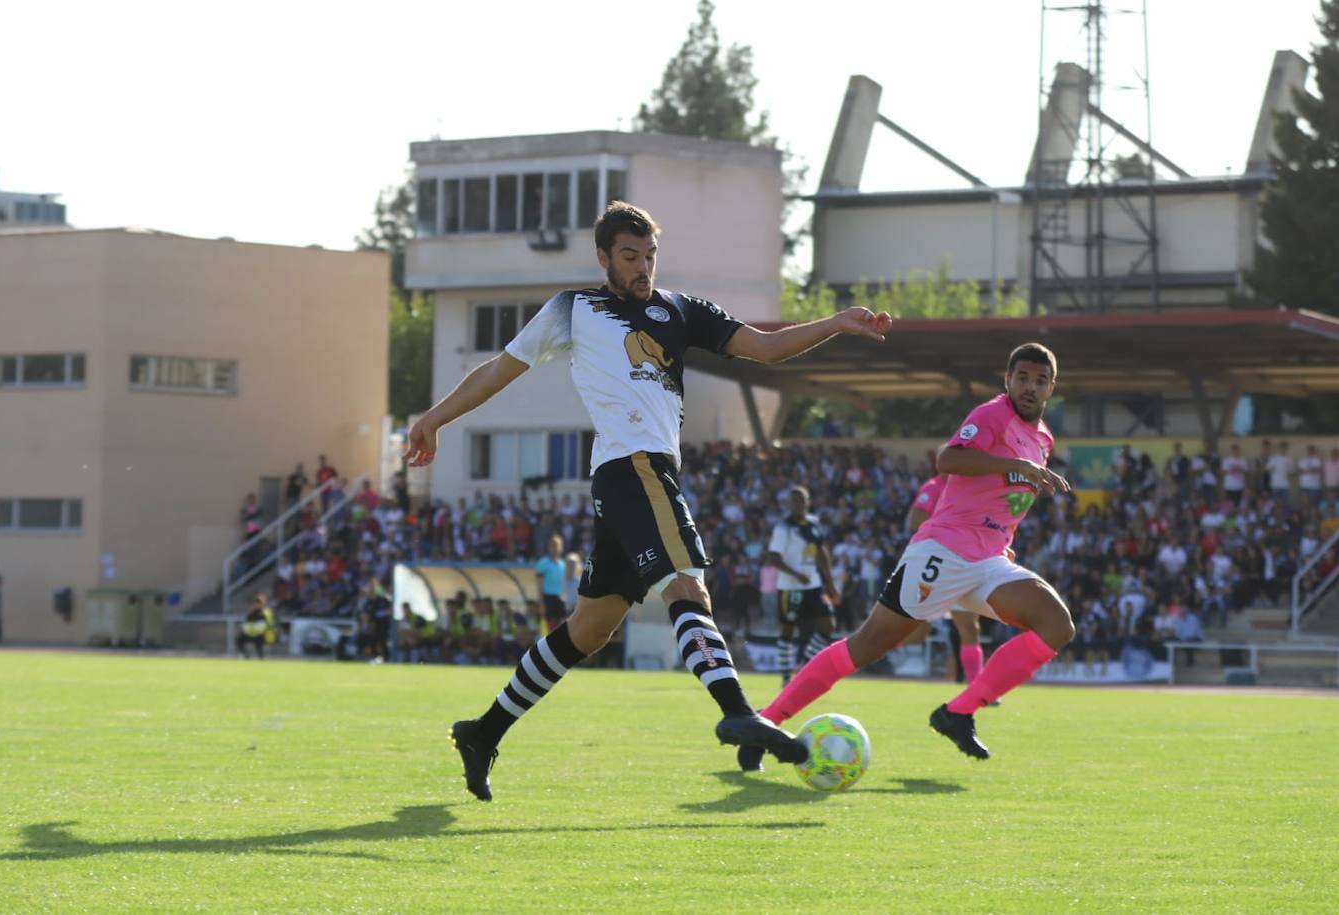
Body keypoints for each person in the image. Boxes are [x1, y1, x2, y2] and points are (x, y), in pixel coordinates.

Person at [406, 200, 891, 801]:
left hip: (639, 474)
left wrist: (833, 323)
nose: (643, 268)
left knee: (589, 629)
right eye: (630, 257)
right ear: (604, 257)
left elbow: (764, 348)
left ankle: (484, 730)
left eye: (650, 256)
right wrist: (434, 418)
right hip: (632, 468)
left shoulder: (680, 310)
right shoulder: (573, 308)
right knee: (688, 586)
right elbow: (498, 371)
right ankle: (737, 709)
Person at [736, 343, 1074, 770]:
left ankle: (957, 712)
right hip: (944, 551)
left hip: (989, 561)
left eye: (1040, 381)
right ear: (1007, 380)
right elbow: (948, 459)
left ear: (1051, 388)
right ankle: (766, 722)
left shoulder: (1043, 438)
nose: (1030, 386)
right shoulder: (991, 415)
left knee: (1056, 625)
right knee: (866, 645)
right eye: (1022, 377)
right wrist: (1018, 467)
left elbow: (1002, 503)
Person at [906, 474, 986, 687]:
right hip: (935, 562)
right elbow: (914, 520)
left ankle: (976, 686)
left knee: (969, 628)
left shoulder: (974, 485)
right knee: (909, 628)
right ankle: (860, 656)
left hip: (963, 563)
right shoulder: (934, 487)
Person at [766, 486, 838, 684]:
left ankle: (805, 666)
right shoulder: (783, 528)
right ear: (788, 504)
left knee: (828, 625)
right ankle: (786, 677)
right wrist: (796, 575)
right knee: (788, 629)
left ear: (808, 502)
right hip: (790, 587)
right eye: (794, 501)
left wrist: (830, 584)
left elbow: (821, 553)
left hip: (813, 584)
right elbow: (773, 558)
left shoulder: (814, 523)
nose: (798, 504)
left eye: (801, 500)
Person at [534, 535, 568, 635]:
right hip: (548, 598)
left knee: (562, 625)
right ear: (549, 547)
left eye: (557, 545)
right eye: (552, 545)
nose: (555, 548)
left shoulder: (563, 564)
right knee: (549, 628)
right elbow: (539, 584)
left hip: (560, 598)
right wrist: (541, 603)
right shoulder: (543, 563)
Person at [237, 594, 274, 659]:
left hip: (263, 635)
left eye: (259, 602)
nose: (257, 604)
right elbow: (246, 622)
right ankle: (246, 656)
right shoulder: (252, 612)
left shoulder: (266, 612)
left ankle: (261, 658)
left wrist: (264, 630)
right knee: (239, 639)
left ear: (263, 603)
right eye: (257, 602)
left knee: (259, 644)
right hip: (251, 634)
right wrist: (244, 631)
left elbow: (269, 624)